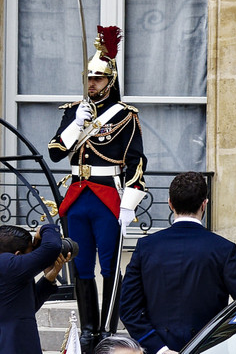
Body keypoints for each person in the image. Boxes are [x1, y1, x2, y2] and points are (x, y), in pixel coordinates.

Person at [48, 26, 147, 352]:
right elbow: (55, 152)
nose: (92, 83)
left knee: (108, 266)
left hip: (107, 196)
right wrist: (78, 123)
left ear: (111, 81)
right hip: (77, 195)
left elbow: (135, 162)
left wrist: (129, 203)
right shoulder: (73, 111)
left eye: (99, 78)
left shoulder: (125, 116)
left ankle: (108, 328)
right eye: (89, 78)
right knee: (81, 264)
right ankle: (90, 329)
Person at [119, 171, 236, 354]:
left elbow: (128, 309)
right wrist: (219, 337)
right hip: (209, 349)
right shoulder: (223, 248)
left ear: (170, 203)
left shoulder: (147, 246)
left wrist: (160, 349)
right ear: (204, 204)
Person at [0, 223, 71, 354]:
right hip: (13, 345)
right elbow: (52, 247)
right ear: (17, 254)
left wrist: (48, 279)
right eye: (31, 251)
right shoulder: (7, 264)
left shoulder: (8, 269)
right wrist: (45, 229)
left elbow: (25, 308)